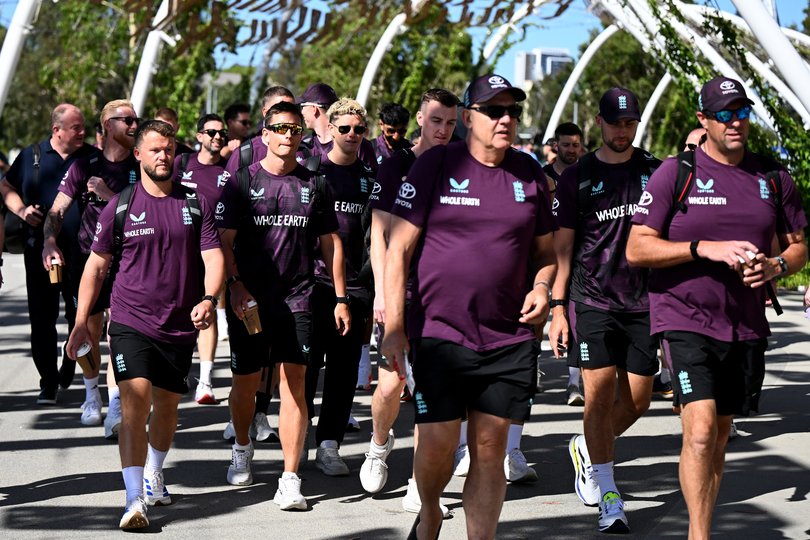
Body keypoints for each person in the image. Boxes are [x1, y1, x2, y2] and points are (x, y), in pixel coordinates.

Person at [626, 76, 807, 539]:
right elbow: (637, 247)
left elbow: (798, 247)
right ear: (703, 120)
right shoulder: (676, 173)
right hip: (683, 316)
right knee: (702, 429)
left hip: (744, 324)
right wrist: (701, 248)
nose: (735, 122)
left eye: (742, 112)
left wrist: (775, 266)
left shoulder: (772, 177)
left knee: (720, 433)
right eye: (724, 114)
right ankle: (698, 534)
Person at [382, 74, 556, 540]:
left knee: (490, 446)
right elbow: (398, 249)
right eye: (494, 110)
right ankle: (431, 511)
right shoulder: (436, 165)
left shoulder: (529, 174)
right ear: (468, 116)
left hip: (507, 336)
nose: (505, 119)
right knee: (438, 443)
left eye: (512, 111)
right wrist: (394, 327)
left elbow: (546, 254)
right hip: (440, 331)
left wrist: (543, 288)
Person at [66, 119, 224, 529]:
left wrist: (209, 299)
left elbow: (213, 257)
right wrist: (81, 321)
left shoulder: (194, 204)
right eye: (155, 149)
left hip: (179, 325)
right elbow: (95, 268)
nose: (163, 156)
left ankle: (154, 470)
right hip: (130, 321)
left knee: (167, 408)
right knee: (135, 405)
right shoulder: (120, 206)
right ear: (138, 154)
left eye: (169, 149)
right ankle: (134, 499)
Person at [217, 101, 350, 510]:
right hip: (250, 300)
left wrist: (341, 298)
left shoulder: (316, 184)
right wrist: (234, 287)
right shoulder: (241, 181)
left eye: (294, 130)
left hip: (299, 298)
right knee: (246, 384)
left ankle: (290, 479)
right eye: (280, 129)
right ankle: (242, 446)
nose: (288, 136)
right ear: (265, 134)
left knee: (295, 384)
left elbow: (331, 244)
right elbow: (222, 243)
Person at [548, 87, 661, 534]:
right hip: (592, 299)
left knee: (638, 400)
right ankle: (609, 494)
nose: (622, 130)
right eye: (615, 123)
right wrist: (558, 307)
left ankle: (587, 447)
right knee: (596, 397)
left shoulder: (654, 171)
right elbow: (562, 249)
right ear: (599, 122)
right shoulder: (579, 176)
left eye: (629, 123)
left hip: (643, 302)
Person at [360, 88, 460, 511]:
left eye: (450, 123)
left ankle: (419, 484)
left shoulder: (459, 165)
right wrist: (383, 294)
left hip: (440, 297)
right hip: (398, 291)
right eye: (436, 121)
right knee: (390, 385)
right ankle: (378, 444)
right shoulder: (396, 164)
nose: (443, 130)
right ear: (420, 120)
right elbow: (380, 236)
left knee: (429, 390)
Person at [42, 99, 141, 434]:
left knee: (118, 334)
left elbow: (145, 212)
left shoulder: (140, 164)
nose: (134, 125)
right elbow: (57, 209)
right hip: (87, 261)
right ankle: (91, 394)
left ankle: (115, 404)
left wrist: (108, 194)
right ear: (107, 125)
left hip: (127, 261)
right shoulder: (84, 165)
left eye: (135, 119)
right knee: (88, 329)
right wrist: (49, 241)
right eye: (127, 120)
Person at [0, 103, 95, 404]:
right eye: (76, 127)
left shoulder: (91, 157)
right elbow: (6, 186)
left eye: (83, 126)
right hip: (39, 251)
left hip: (82, 253)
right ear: (57, 130)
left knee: (78, 315)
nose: (82, 132)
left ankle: (70, 360)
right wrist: (21, 210)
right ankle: (48, 382)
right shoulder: (32, 155)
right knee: (42, 318)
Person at [303, 98, 374, 476]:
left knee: (344, 372)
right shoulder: (311, 172)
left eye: (358, 129)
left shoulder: (370, 178)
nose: (351, 135)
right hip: (314, 284)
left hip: (356, 288)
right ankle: (297, 437)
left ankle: (329, 444)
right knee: (305, 367)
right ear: (329, 129)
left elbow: (377, 236)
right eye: (344, 128)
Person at [175, 113, 230, 404]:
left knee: (206, 309)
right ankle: (178, 372)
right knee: (179, 315)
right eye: (211, 132)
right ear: (199, 137)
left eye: (222, 133)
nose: (217, 137)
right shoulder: (181, 164)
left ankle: (205, 382)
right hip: (177, 252)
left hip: (210, 251)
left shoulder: (229, 171)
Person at [541, 121, 585, 406]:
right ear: (556, 145)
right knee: (539, 317)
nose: (571, 150)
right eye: (566, 145)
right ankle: (531, 367)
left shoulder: (586, 174)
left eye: (575, 145)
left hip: (575, 255)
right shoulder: (542, 176)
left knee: (573, 314)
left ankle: (573, 383)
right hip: (544, 255)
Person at [297, 82, 378, 171]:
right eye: (344, 129)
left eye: (303, 106)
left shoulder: (359, 145)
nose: (302, 112)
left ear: (314, 109)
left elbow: (372, 176)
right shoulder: (303, 144)